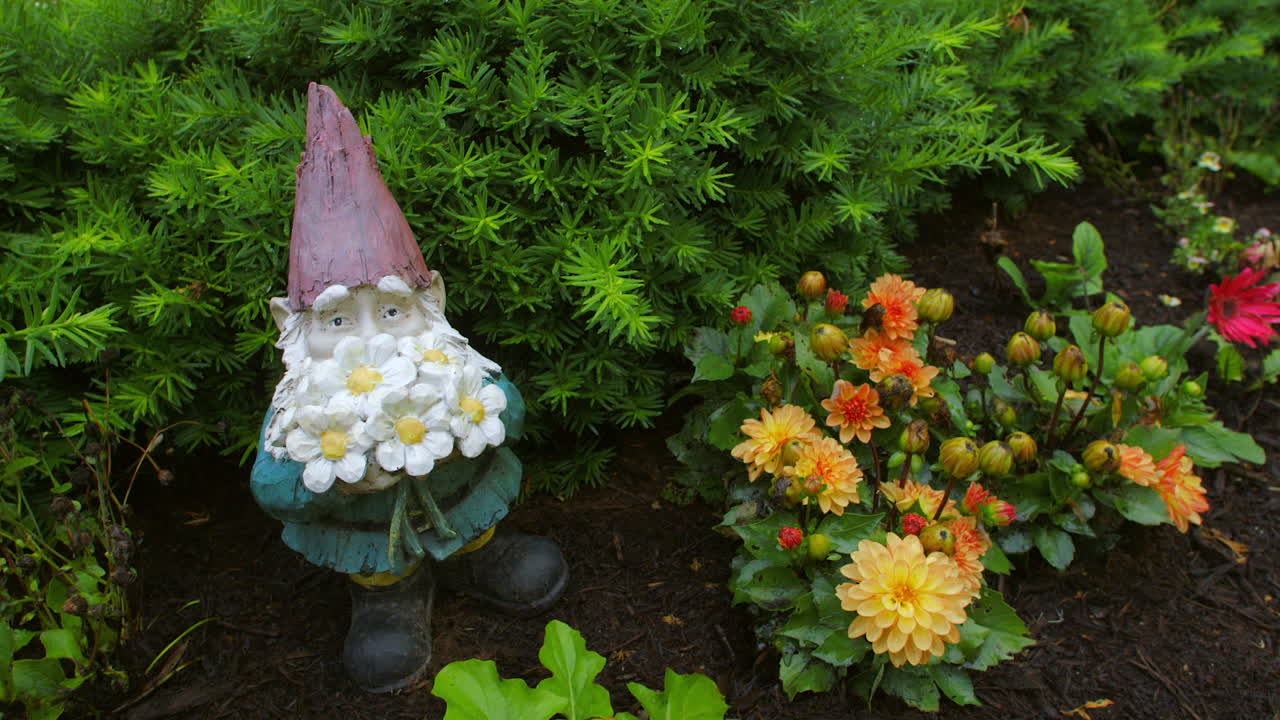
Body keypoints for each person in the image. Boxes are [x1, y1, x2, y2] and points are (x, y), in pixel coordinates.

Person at [251, 83, 567, 694]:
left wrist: (472, 429)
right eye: (338, 320)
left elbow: (512, 411)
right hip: (369, 538)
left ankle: (480, 555)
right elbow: (272, 485)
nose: (368, 341)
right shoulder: (303, 410)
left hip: (462, 505)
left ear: (432, 302)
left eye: (391, 311)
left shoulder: (454, 364)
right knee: (380, 580)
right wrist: (330, 481)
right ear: (288, 326)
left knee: (481, 532)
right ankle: (387, 599)